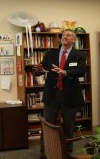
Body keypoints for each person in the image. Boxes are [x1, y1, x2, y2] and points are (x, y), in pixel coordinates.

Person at [33, 29, 86, 158]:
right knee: (47, 124)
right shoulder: (50, 53)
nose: (65, 37)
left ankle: (66, 152)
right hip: (52, 94)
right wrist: (39, 70)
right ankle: (44, 153)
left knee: (68, 125)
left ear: (73, 40)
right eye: (63, 35)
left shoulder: (79, 55)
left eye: (68, 35)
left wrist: (65, 72)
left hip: (70, 95)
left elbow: (81, 71)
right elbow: (41, 70)